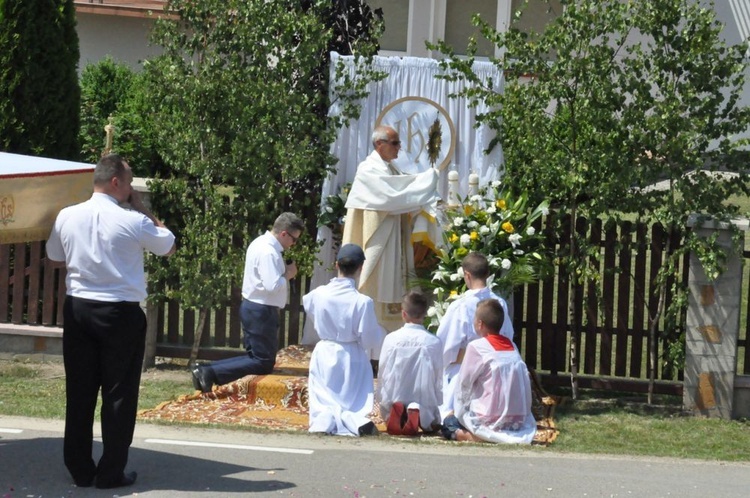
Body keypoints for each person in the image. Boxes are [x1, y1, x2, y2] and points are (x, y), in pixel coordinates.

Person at [46, 153, 176, 489]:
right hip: (119, 312)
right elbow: (168, 245)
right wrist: (142, 208)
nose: (132, 187)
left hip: (79, 309)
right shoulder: (132, 219)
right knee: (119, 394)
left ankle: (79, 468)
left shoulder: (67, 214)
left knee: (80, 391)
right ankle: (110, 472)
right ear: (116, 182)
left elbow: (54, 257)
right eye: (130, 181)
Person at [192, 212, 304, 392]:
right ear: (284, 234)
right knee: (263, 362)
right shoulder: (268, 252)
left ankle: (206, 369)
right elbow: (272, 285)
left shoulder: (261, 243)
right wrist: (289, 274)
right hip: (261, 309)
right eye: (294, 239)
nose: (294, 244)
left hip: (256, 307)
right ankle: (209, 371)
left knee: (256, 357)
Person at [342, 125, 440, 330]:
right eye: (395, 143)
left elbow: (402, 192)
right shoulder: (368, 169)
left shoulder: (391, 168)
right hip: (379, 238)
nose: (399, 148)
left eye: (399, 143)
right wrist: (427, 180)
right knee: (376, 286)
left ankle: (393, 329)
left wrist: (426, 188)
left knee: (394, 281)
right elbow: (393, 197)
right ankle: (372, 330)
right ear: (379, 144)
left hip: (394, 236)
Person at [304, 243, 386, 436]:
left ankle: (324, 421)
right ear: (360, 269)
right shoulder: (362, 301)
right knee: (350, 402)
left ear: (336, 265)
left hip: (325, 350)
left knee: (324, 398)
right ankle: (353, 421)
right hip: (351, 354)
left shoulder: (317, 294)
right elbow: (369, 338)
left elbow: (311, 309)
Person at [442, 299, 536, 444]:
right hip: (517, 420)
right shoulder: (512, 346)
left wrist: (458, 412)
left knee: (449, 423)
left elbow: (463, 385)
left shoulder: (477, 347)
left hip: (486, 418)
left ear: (480, 324)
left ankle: (472, 436)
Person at [436, 252, 515, 419]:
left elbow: (445, 344)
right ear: (487, 274)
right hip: (495, 371)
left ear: (467, 275)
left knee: (449, 410)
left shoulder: (460, 306)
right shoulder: (499, 303)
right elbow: (508, 336)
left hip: (465, 369)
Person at [377, 290, 443, 435]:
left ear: (403, 313)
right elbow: (438, 375)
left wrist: (381, 397)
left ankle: (395, 414)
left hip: (395, 395)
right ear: (425, 314)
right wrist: (437, 398)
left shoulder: (392, 339)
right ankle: (420, 414)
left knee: (389, 397)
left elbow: (383, 370)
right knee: (431, 416)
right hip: (423, 396)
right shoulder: (434, 342)